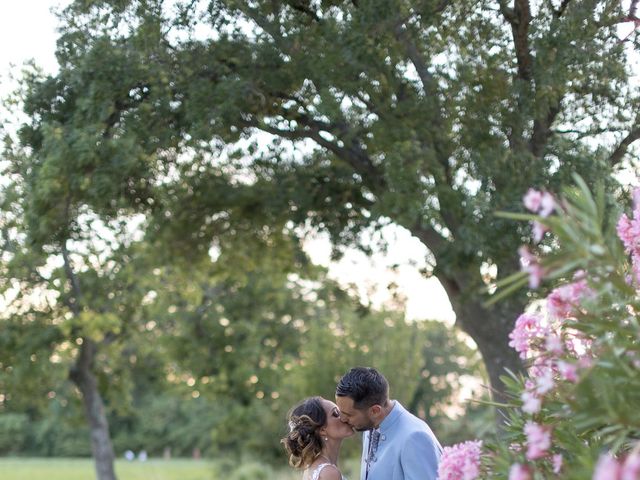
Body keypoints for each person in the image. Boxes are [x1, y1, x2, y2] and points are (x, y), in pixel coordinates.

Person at [335, 367, 442, 480]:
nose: (342, 419)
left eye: (349, 414)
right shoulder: (370, 426)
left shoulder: (415, 437)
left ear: (375, 411)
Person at [282, 396, 355, 480]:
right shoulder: (329, 473)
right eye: (335, 413)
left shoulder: (312, 468)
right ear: (322, 430)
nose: (344, 417)